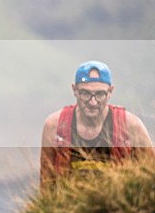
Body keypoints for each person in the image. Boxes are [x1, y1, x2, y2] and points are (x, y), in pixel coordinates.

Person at [40, 60, 153, 191]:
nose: (92, 102)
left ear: (110, 92)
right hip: (68, 208)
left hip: (118, 207)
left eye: (100, 94)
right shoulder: (55, 126)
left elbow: (151, 176)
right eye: (85, 93)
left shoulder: (131, 126)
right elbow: (46, 185)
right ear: (74, 90)